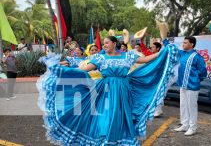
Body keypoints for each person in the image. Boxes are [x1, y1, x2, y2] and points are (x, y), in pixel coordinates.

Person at [37, 36, 179, 145]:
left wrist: (163, 52)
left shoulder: (128, 55)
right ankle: (107, 139)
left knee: (122, 115)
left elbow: (147, 59)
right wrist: (63, 70)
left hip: (124, 89)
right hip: (105, 90)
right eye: (103, 43)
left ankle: (121, 139)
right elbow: (83, 69)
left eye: (106, 43)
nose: (104, 45)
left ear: (114, 43)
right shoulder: (100, 58)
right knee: (108, 114)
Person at [174, 36, 207, 136]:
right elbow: (172, 50)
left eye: (185, 43)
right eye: (183, 42)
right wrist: (165, 41)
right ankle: (185, 124)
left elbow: (203, 72)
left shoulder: (197, 57)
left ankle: (193, 127)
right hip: (182, 85)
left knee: (191, 107)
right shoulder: (182, 53)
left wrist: (195, 80)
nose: (183, 44)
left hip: (192, 86)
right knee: (183, 105)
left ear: (191, 44)